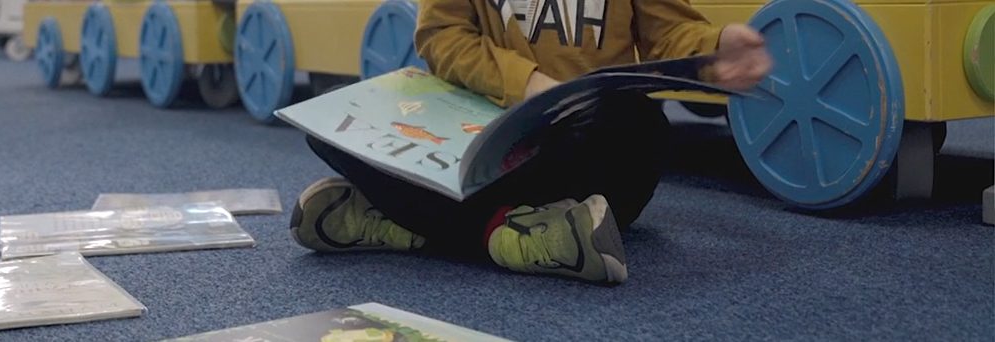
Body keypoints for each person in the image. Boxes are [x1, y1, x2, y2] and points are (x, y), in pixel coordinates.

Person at [288, 0, 771, 285]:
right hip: (478, 137)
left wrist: (715, 45)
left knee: (640, 126)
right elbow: (441, 34)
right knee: (338, 112)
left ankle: (405, 221)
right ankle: (523, 235)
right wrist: (529, 85)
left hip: (585, 140)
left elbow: (671, 33)